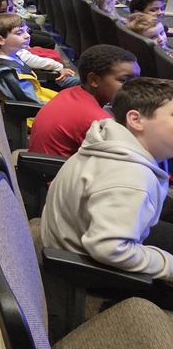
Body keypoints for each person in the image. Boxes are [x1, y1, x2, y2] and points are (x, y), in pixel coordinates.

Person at [40, 77, 173, 291]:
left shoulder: (108, 137)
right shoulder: (131, 178)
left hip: (72, 241)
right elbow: (109, 249)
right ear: (136, 120)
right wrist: (168, 266)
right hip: (85, 273)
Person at [29, 45, 140, 156]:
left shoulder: (73, 92)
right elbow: (121, 160)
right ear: (93, 80)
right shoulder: (97, 122)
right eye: (123, 80)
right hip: (53, 171)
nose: (133, 87)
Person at [0, 13, 60, 109]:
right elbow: (32, 102)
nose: (27, 36)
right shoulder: (7, 73)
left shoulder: (10, 55)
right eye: (19, 33)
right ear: (0, 39)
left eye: (27, 31)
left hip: (41, 97)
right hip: (38, 113)